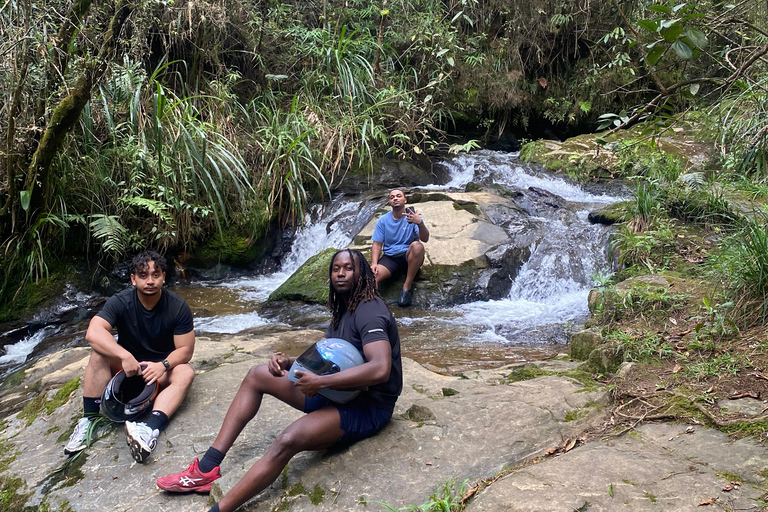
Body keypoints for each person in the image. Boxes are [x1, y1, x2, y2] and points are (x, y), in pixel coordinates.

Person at [157, 249, 402, 512]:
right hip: (336, 391)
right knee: (257, 375)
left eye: (348, 268)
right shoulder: (344, 308)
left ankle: (219, 510)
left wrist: (321, 383)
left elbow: (380, 369)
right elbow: (329, 354)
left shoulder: (370, 311)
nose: (340, 274)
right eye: (336, 269)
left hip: (367, 407)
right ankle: (207, 469)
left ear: (362, 273)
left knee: (288, 439)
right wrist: (290, 362)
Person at [63, 250, 196, 463]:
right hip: (127, 368)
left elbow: (186, 351)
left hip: (159, 372)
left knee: (186, 372)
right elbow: (93, 332)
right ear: (133, 279)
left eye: (155, 275)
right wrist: (124, 356)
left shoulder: (178, 307)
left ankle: (149, 429)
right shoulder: (120, 301)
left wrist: (163, 365)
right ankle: (90, 420)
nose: (150, 281)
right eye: (143, 275)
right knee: (98, 354)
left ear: (163, 277)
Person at [370, 188, 429, 307]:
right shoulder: (383, 220)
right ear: (390, 202)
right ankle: (375, 304)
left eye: (398, 196)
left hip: (408, 257)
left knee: (417, 246)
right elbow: (377, 244)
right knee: (371, 277)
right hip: (390, 258)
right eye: (392, 197)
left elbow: (425, 238)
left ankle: (407, 287)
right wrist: (374, 263)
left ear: (405, 200)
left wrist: (419, 223)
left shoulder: (413, 217)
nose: (395, 198)